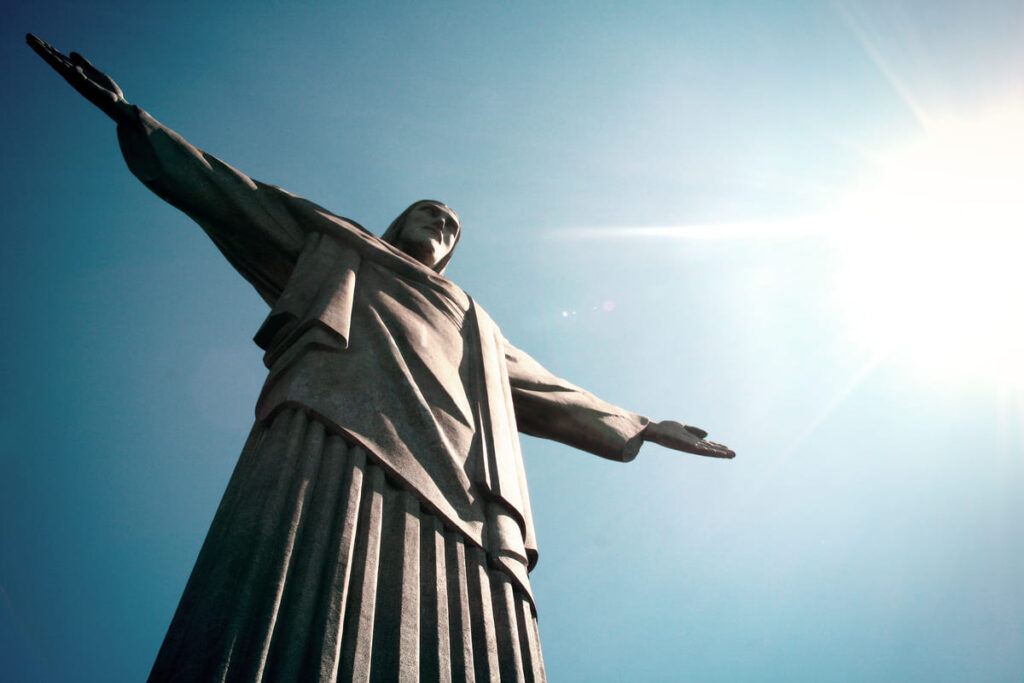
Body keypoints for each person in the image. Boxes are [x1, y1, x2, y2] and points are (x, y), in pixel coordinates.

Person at [28, 34, 734, 683]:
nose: (441, 225)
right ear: (402, 222)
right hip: (334, 417)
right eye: (430, 213)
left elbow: (548, 390)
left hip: (460, 475)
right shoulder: (341, 245)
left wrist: (642, 424)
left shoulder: (475, 323)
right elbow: (232, 195)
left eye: (452, 227)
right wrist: (133, 119)